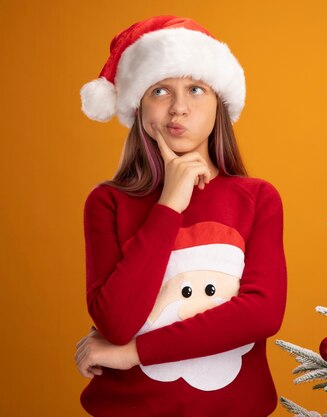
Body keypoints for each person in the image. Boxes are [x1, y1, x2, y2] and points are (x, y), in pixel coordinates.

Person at [73, 15, 287, 417]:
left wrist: (133, 353)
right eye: (159, 90)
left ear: (218, 103)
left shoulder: (257, 198)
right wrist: (169, 204)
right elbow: (117, 321)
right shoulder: (107, 203)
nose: (179, 108)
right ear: (138, 106)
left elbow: (261, 313)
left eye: (195, 88)